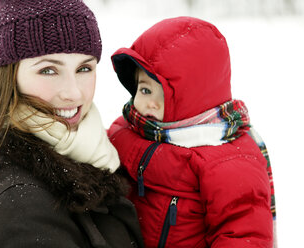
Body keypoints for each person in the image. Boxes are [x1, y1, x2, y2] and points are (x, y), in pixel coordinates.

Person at [0, 0, 144, 247]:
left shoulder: (93, 153)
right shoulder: (20, 204)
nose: (73, 93)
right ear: (10, 76)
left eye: (84, 68)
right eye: (49, 70)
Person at [108, 16, 276, 248]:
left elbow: (242, 236)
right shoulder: (125, 130)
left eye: (163, 94)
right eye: (144, 89)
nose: (150, 103)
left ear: (196, 95)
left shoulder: (229, 162)